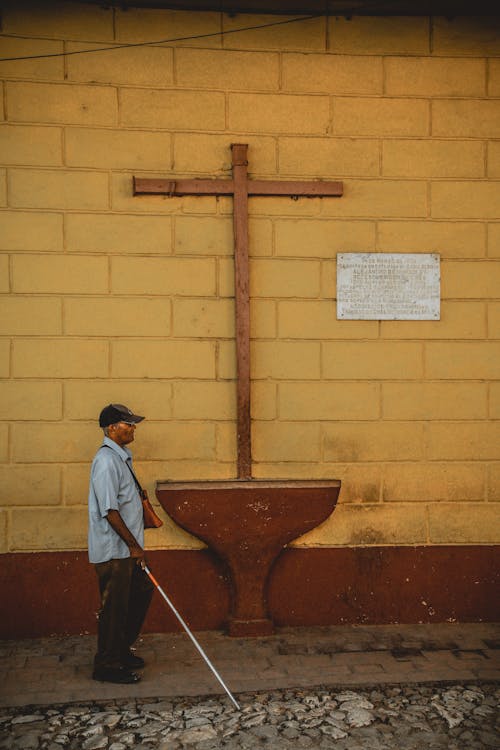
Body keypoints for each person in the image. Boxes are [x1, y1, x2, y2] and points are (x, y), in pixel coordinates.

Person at [88, 403, 154, 684]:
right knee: (114, 608)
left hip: (127, 548)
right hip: (115, 550)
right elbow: (109, 510)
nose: (133, 428)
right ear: (112, 428)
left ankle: (120, 650)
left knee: (140, 593)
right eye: (128, 424)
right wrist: (134, 546)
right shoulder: (105, 461)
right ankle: (107, 665)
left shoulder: (122, 458)